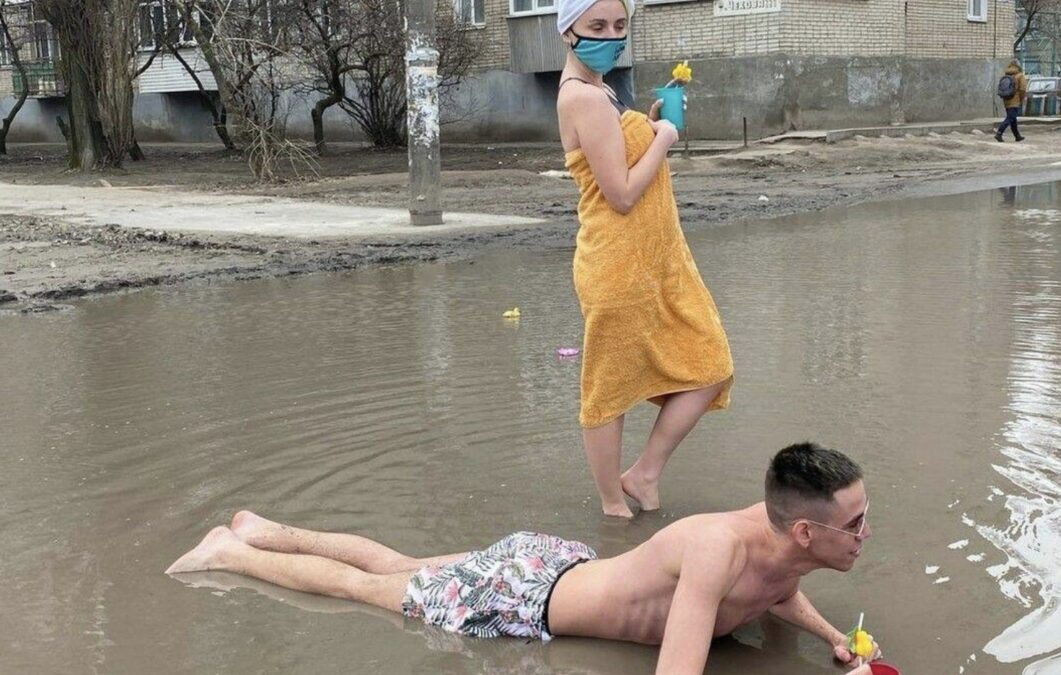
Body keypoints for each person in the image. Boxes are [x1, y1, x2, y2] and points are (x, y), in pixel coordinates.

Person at [167, 443, 880, 675]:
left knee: (402, 561)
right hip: (521, 597)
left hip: (550, 562)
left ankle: (264, 527)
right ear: (804, 531)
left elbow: (775, 589)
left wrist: (832, 640)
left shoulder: (776, 538)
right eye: (854, 523)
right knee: (368, 588)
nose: (865, 533)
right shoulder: (715, 548)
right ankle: (234, 552)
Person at [555, 0, 735, 519]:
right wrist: (668, 139)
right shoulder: (584, 97)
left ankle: (645, 474)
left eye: (619, 25)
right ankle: (613, 506)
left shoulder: (600, 90)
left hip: (648, 264)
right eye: (596, 26)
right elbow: (621, 193)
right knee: (608, 390)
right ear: (568, 31)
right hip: (617, 265)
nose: (610, 36)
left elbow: (617, 157)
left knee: (711, 364)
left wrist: (649, 127)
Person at [995, 59, 1028, 143]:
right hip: (1015, 100)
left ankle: (1017, 136)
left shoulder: (1007, 74)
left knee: (1013, 118)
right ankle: (999, 133)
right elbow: (1022, 89)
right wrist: (1021, 99)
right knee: (1010, 117)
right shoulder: (1020, 75)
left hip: (1006, 99)